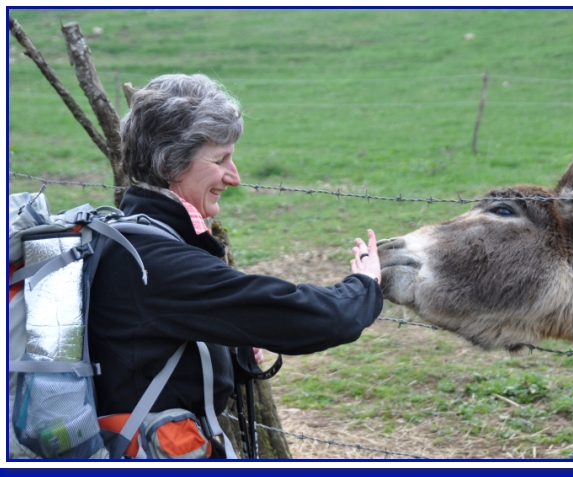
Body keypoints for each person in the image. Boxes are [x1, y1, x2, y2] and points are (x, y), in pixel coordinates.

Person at [88, 73, 383, 458]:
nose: (235, 177)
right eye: (220, 159)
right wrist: (364, 286)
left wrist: (229, 349)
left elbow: (144, 351)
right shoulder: (155, 262)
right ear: (173, 164)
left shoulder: (125, 235)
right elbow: (304, 318)